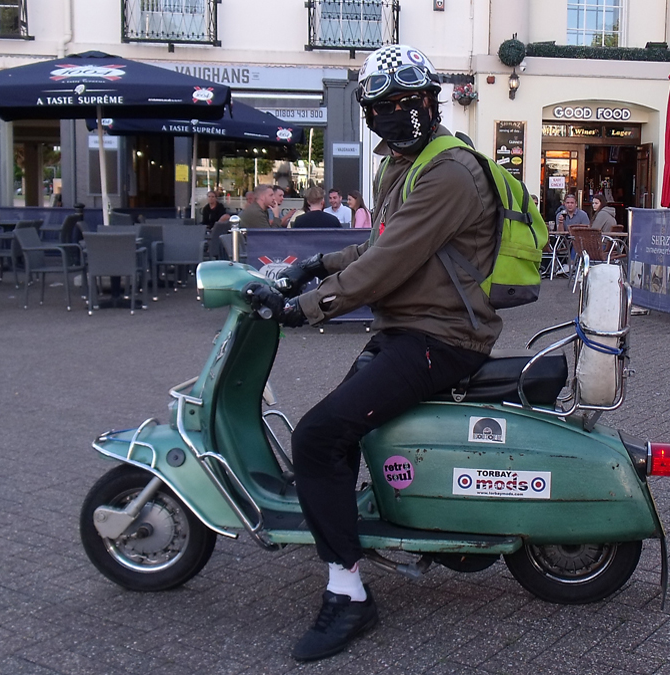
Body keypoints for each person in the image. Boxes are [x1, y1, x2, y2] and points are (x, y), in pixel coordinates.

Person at [248, 44, 500, 662]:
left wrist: (306, 308)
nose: (395, 113)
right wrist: (313, 264)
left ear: (430, 99)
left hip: (443, 338)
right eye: (381, 104)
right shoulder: (401, 165)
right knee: (344, 429)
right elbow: (377, 245)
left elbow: (389, 263)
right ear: (367, 110)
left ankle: (348, 595)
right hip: (411, 329)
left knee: (318, 436)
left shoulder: (448, 171)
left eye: (407, 101)